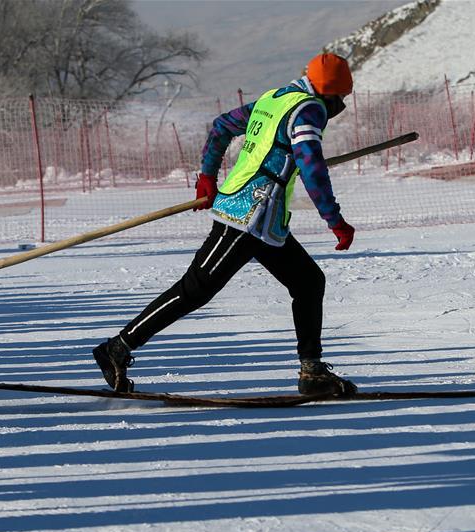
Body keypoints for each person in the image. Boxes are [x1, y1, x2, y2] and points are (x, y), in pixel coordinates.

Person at [94, 53, 358, 397]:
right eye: (341, 99)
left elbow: (222, 125)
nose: (341, 106)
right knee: (195, 290)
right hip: (244, 216)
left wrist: (208, 173)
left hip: (266, 223)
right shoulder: (309, 110)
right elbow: (311, 167)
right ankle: (117, 348)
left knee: (308, 282)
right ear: (331, 93)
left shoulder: (274, 99)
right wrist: (334, 219)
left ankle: (312, 372)